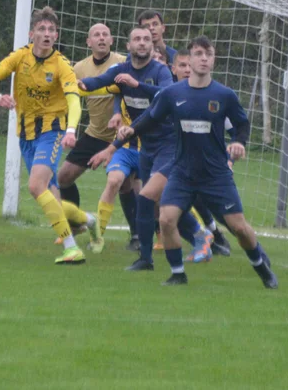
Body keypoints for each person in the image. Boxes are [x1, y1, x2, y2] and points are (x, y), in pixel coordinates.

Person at [112, 36, 277, 288]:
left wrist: (239, 144)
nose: (202, 58)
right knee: (166, 219)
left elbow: (242, 125)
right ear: (189, 58)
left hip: (216, 175)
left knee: (239, 228)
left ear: (213, 59)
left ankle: (262, 268)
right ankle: (178, 274)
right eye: (197, 54)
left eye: (207, 54)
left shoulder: (224, 95)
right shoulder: (172, 94)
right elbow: (151, 118)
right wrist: (131, 131)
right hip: (182, 172)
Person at [0, 6, 101, 265]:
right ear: (32, 33)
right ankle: (89, 220)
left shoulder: (62, 65)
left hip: (52, 132)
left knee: (35, 187)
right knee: (51, 199)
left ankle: (71, 248)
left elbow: (74, 101)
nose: (47, 34)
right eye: (42, 29)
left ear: (56, 35)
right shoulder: (18, 57)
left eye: (51, 30)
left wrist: (69, 130)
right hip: (25, 135)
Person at [83, 27, 213, 271]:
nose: (142, 43)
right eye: (137, 39)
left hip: (170, 145)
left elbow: (167, 93)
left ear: (152, 47)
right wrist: (77, 83)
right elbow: (96, 82)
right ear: (128, 45)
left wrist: (137, 86)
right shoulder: (120, 70)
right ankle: (150, 255)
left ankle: (191, 238)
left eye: (146, 39)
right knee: (153, 202)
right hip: (146, 146)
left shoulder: (160, 70)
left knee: (148, 197)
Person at [56, 23, 139, 248]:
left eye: (105, 34)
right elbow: (68, 96)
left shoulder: (124, 63)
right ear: (88, 42)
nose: (101, 38)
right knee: (63, 177)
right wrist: (65, 128)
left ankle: (136, 235)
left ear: (111, 41)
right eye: (96, 35)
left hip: (122, 136)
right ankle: (75, 224)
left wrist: (119, 115)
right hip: (94, 134)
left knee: (123, 183)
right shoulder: (80, 68)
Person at [170, 49, 233, 258]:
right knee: (158, 199)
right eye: (182, 66)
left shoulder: (214, 97)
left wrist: (231, 156)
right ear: (173, 69)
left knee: (212, 204)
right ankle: (204, 237)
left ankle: (211, 235)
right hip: (174, 159)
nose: (187, 70)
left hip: (207, 164)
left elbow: (236, 131)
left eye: (190, 65)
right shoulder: (169, 95)